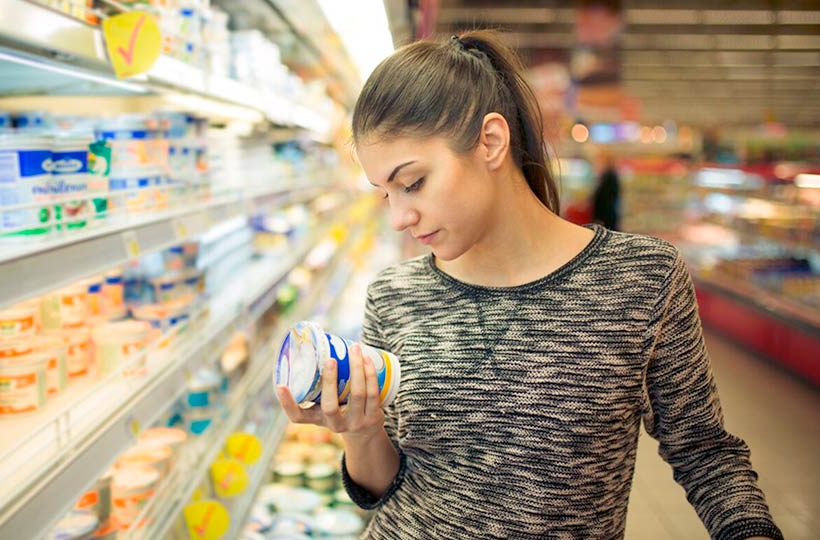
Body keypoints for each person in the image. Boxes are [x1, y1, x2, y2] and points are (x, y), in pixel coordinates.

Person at [275, 29, 782, 540]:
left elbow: (705, 452)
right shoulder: (394, 293)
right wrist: (361, 430)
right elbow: (381, 486)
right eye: (385, 194)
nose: (399, 217)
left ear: (491, 142)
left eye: (413, 183)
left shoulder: (640, 279)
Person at [591, 152, 621, 230]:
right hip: (607, 218)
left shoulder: (609, 178)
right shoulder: (606, 177)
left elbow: (606, 201)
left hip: (606, 219)